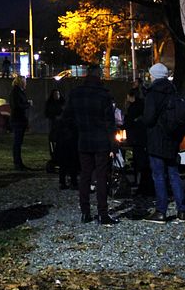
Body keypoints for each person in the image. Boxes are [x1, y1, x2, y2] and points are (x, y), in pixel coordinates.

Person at [61, 64, 118, 225]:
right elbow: (109, 122)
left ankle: (85, 211)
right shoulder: (104, 95)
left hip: (83, 139)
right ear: (98, 75)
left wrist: (76, 132)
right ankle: (102, 212)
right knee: (101, 176)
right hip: (100, 140)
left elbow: (67, 117)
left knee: (85, 175)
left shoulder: (76, 93)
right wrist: (113, 144)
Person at [142, 62, 185, 223]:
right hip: (172, 138)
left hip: (157, 139)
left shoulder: (153, 93)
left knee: (159, 176)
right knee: (174, 174)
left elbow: (148, 119)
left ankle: (161, 211)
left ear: (153, 75)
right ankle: (182, 211)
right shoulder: (175, 92)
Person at [124, 88, 152, 196]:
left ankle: (139, 183)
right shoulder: (144, 105)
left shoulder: (133, 107)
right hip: (143, 137)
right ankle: (143, 183)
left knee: (138, 161)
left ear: (131, 96)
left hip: (136, 137)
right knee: (143, 161)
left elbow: (129, 122)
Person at [9, 75, 31, 171]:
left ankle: (18, 162)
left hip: (19, 119)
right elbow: (16, 106)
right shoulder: (16, 92)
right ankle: (17, 163)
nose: (26, 83)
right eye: (24, 81)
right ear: (21, 82)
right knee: (17, 143)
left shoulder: (17, 91)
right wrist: (27, 104)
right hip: (18, 120)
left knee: (18, 142)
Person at [44, 89, 65, 172]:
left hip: (62, 127)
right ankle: (55, 158)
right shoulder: (50, 104)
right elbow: (47, 113)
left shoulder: (63, 103)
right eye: (55, 94)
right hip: (54, 126)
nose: (57, 96)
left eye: (58, 94)